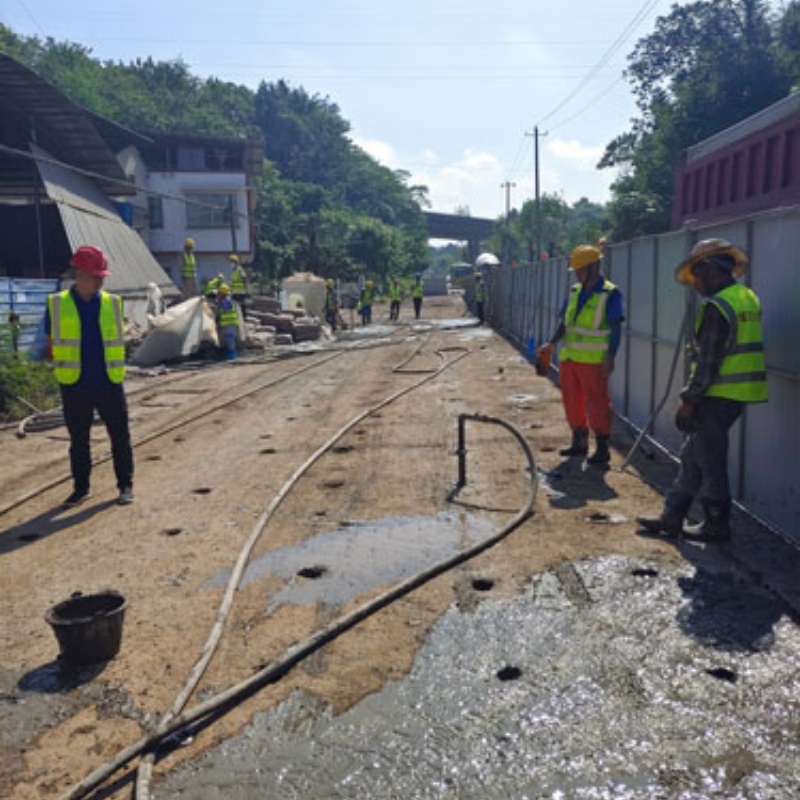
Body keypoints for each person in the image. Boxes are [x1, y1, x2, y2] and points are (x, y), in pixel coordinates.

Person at [636, 238, 767, 541]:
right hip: (736, 393)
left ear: (709, 269)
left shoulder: (718, 307)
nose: (694, 284)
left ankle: (716, 525)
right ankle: (672, 517)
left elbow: (708, 363)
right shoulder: (746, 297)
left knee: (710, 460)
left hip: (716, 395)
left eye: (696, 275)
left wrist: (689, 401)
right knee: (693, 455)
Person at [44, 246, 134, 507]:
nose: (100, 281)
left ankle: (125, 485)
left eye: (102, 277)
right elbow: (50, 342)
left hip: (108, 380)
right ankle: (81, 488)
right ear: (79, 274)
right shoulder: (57, 304)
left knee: (120, 436)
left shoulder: (113, 303)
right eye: (96, 276)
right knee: (79, 440)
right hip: (74, 383)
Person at [537, 244, 625, 466]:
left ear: (593, 267)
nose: (576, 274)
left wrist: (610, 356)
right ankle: (579, 442)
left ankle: (602, 448)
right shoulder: (575, 291)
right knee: (572, 401)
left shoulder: (610, 293)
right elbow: (565, 323)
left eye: (580, 269)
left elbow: (616, 327)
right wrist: (552, 343)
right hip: (570, 359)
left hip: (593, 361)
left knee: (598, 404)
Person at [215, 283, 239, 361]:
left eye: (219, 293)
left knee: (230, 338)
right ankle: (230, 353)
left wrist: (219, 302)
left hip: (230, 323)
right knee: (228, 339)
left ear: (222, 293)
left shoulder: (227, 301)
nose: (217, 294)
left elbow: (225, 307)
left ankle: (232, 354)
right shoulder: (225, 301)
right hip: (227, 323)